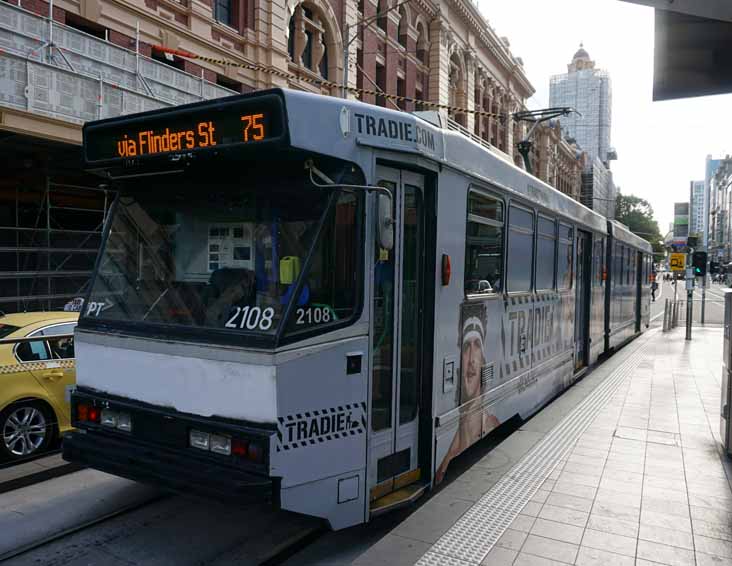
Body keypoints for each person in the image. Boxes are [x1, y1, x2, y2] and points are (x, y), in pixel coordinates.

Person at [436, 306, 499, 483]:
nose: (471, 359)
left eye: (477, 346)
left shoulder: (492, 424)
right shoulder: (446, 458)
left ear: (483, 357)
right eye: (466, 347)